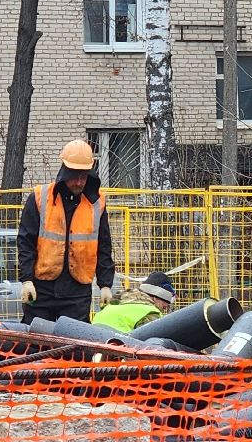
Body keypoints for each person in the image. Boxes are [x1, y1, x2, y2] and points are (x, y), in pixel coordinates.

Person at [17, 139, 116, 326]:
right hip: (42, 288)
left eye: (84, 176)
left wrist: (105, 284)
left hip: (77, 292)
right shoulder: (40, 198)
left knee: (74, 348)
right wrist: (27, 280)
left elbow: (103, 246)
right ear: (65, 172)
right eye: (75, 176)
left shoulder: (97, 203)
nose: (79, 182)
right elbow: (26, 242)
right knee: (37, 344)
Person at [91, 271, 176, 331]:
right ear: (155, 298)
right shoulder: (150, 313)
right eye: (164, 305)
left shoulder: (114, 304)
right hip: (117, 349)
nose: (164, 309)